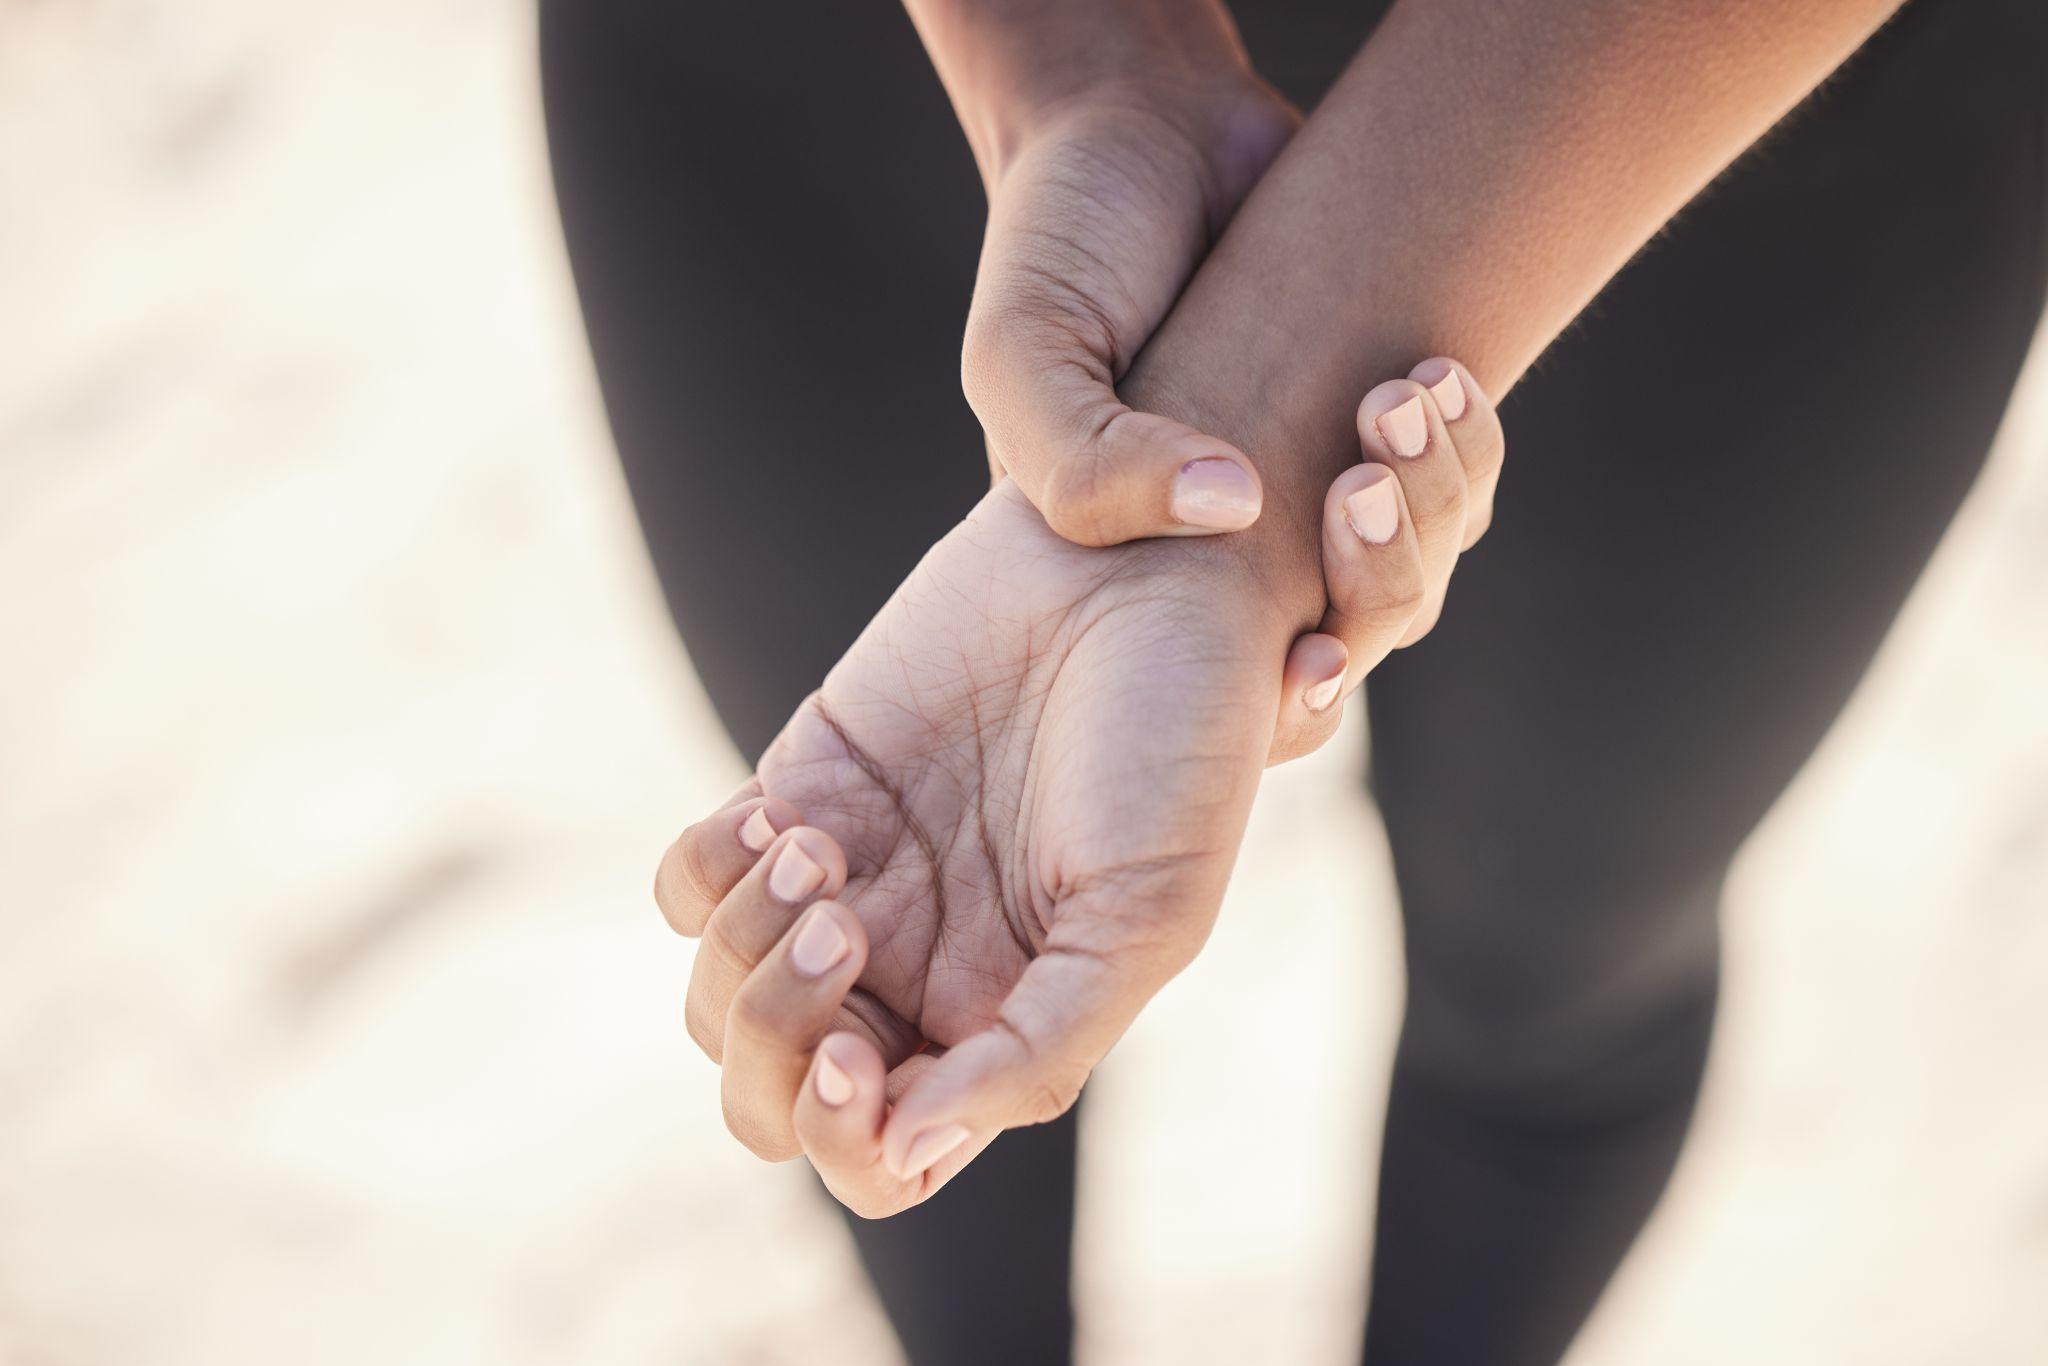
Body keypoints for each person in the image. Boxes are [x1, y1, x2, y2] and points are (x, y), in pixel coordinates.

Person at [541, 0, 2046, 1361]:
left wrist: (1268, 381)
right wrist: (1071, 63)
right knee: (906, 955)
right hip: (850, 50)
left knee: (1556, 980)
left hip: (1709, 84)